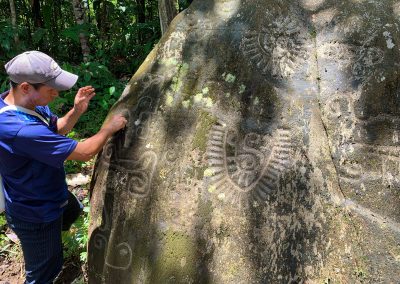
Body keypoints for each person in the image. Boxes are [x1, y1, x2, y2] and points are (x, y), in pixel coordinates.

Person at [0, 51, 127, 284]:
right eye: (51, 89)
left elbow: (55, 129)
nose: (57, 94)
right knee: (44, 273)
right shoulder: (18, 128)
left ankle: (57, 244)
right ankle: (49, 254)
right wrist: (108, 129)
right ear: (26, 87)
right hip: (36, 213)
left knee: (73, 209)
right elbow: (84, 152)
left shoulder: (26, 104)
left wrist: (77, 110)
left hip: (49, 193)